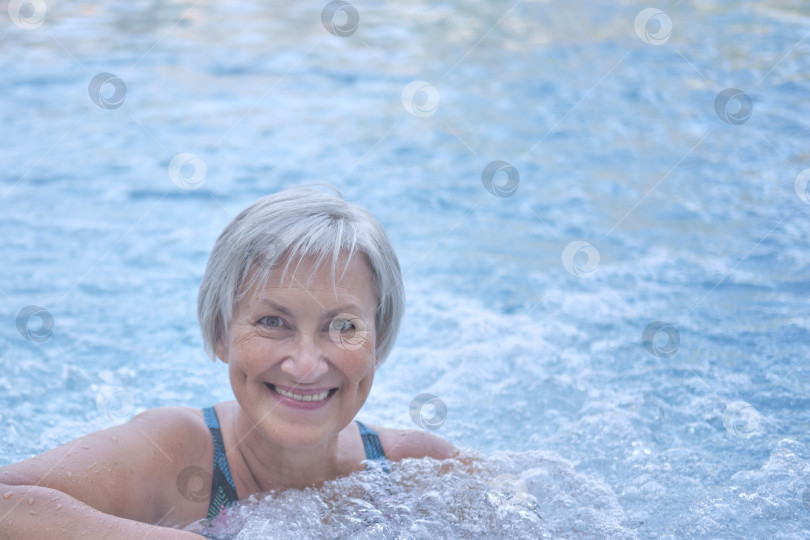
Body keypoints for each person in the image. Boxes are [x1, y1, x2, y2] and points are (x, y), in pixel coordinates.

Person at [0, 186, 456, 539]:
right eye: (272, 321)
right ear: (221, 334)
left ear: (378, 341)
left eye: (342, 327)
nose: (305, 365)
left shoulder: (420, 472)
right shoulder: (173, 452)